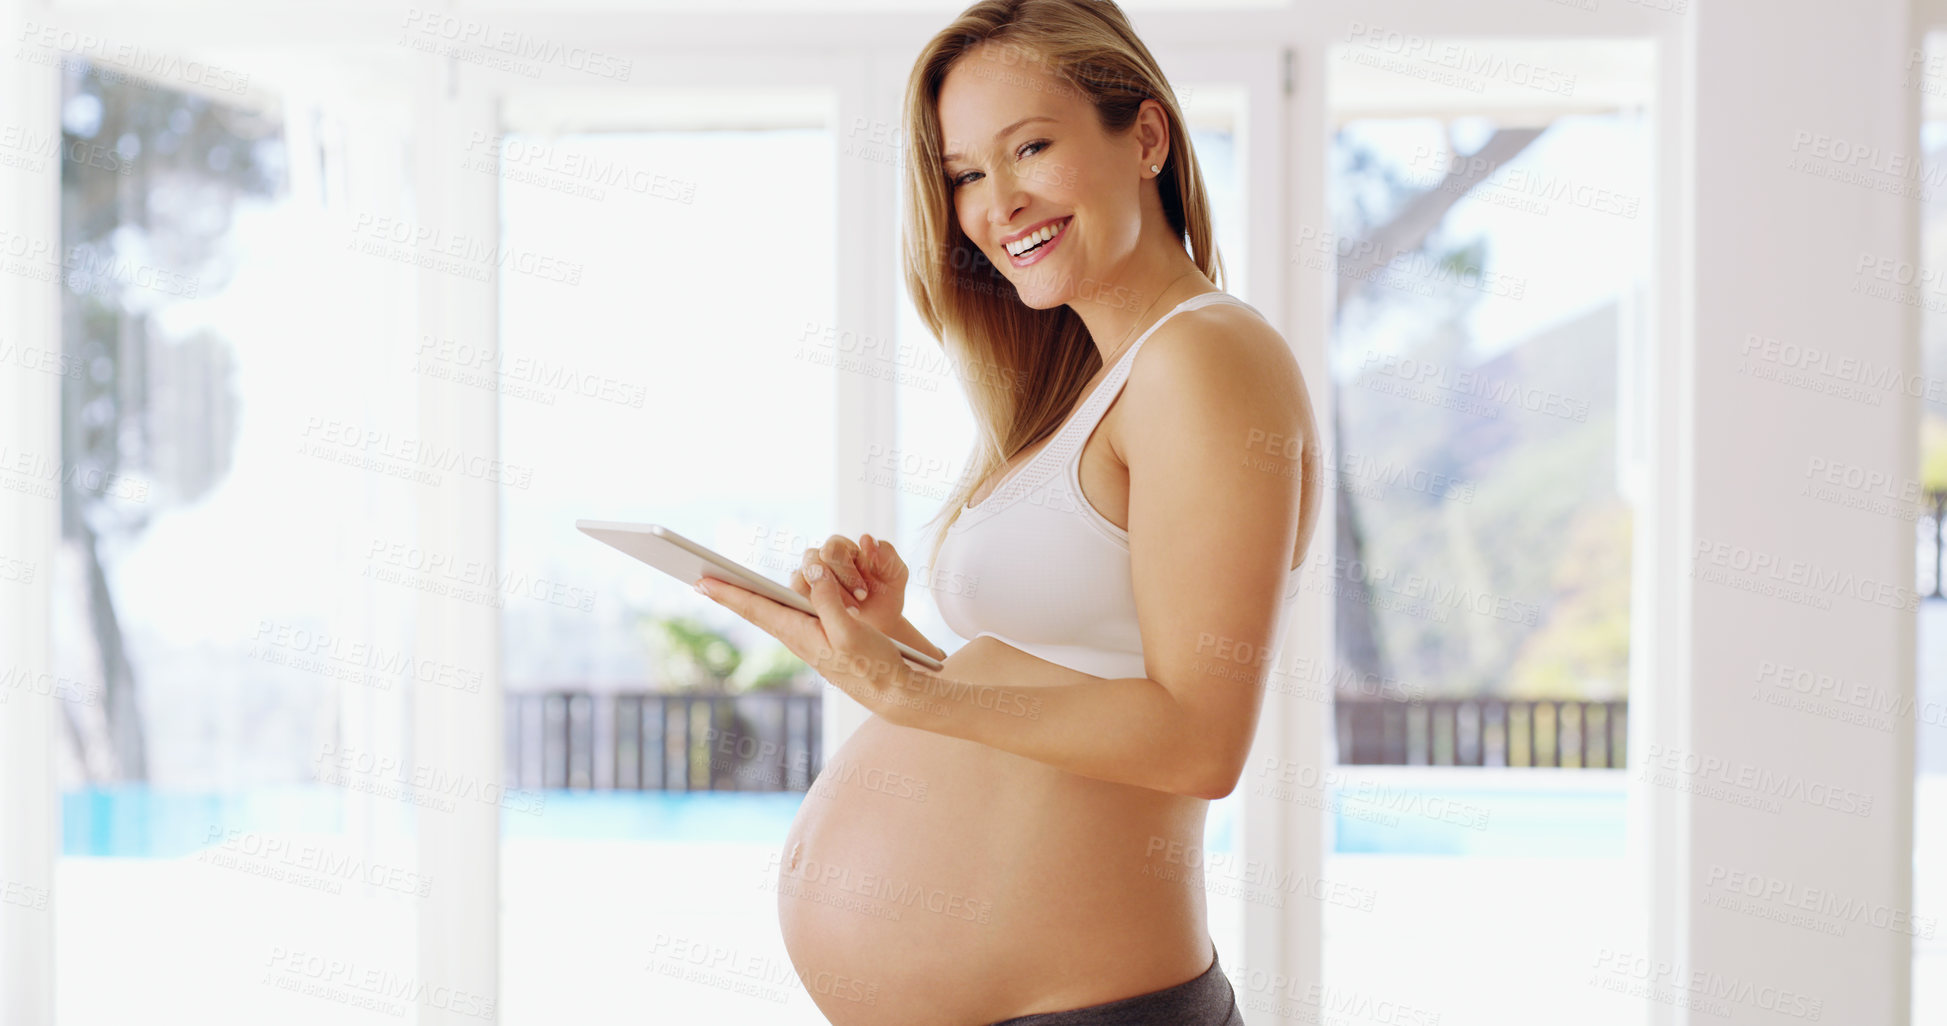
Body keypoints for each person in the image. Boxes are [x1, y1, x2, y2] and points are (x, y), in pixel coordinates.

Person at [694, 1, 1320, 1022]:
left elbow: (1200, 741)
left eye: (1030, 146)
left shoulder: (1205, 360)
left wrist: (912, 697)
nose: (1000, 202)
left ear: (1146, 137)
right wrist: (898, 649)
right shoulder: (1101, 386)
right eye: (965, 175)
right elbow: (1079, 696)